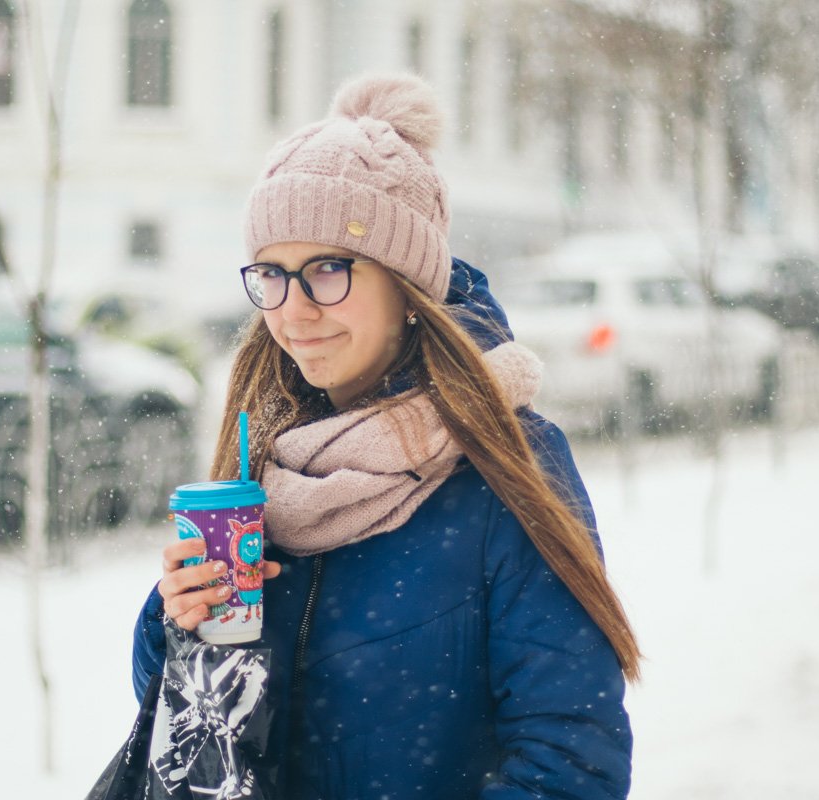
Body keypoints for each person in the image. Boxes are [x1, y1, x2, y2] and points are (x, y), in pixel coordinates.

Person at [131, 73, 640, 799]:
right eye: (271, 275)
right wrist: (175, 621)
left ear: (407, 287)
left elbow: (571, 762)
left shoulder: (504, 465)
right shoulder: (269, 462)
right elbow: (188, 733)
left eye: (328, 270)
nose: (294, 310)